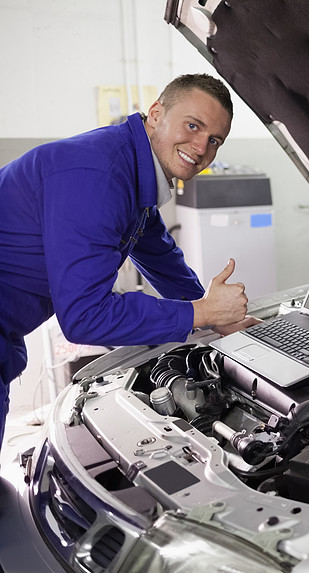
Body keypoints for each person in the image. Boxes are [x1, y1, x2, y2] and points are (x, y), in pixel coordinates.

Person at [0, 73, 253, 450]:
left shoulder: (132, 168)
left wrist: (221, 319)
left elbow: (160, 256)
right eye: (192, 125)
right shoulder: (99, 177)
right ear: (156, 114)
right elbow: (86, 317)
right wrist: (199, 314)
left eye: (214, 140)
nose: (201, 147)